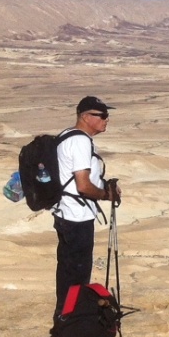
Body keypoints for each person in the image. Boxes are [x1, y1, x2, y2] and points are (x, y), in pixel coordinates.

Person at [52, 95, 121, 322]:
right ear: (85, 117)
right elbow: (83, 185)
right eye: (101, 115)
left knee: (66, 271)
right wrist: (105, 195)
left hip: (65, 213)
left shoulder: (66, 136)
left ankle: (65, 316)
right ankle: (73, 321)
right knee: (77, 274)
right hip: (77, 216)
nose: (106, 119)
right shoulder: (80, 141)